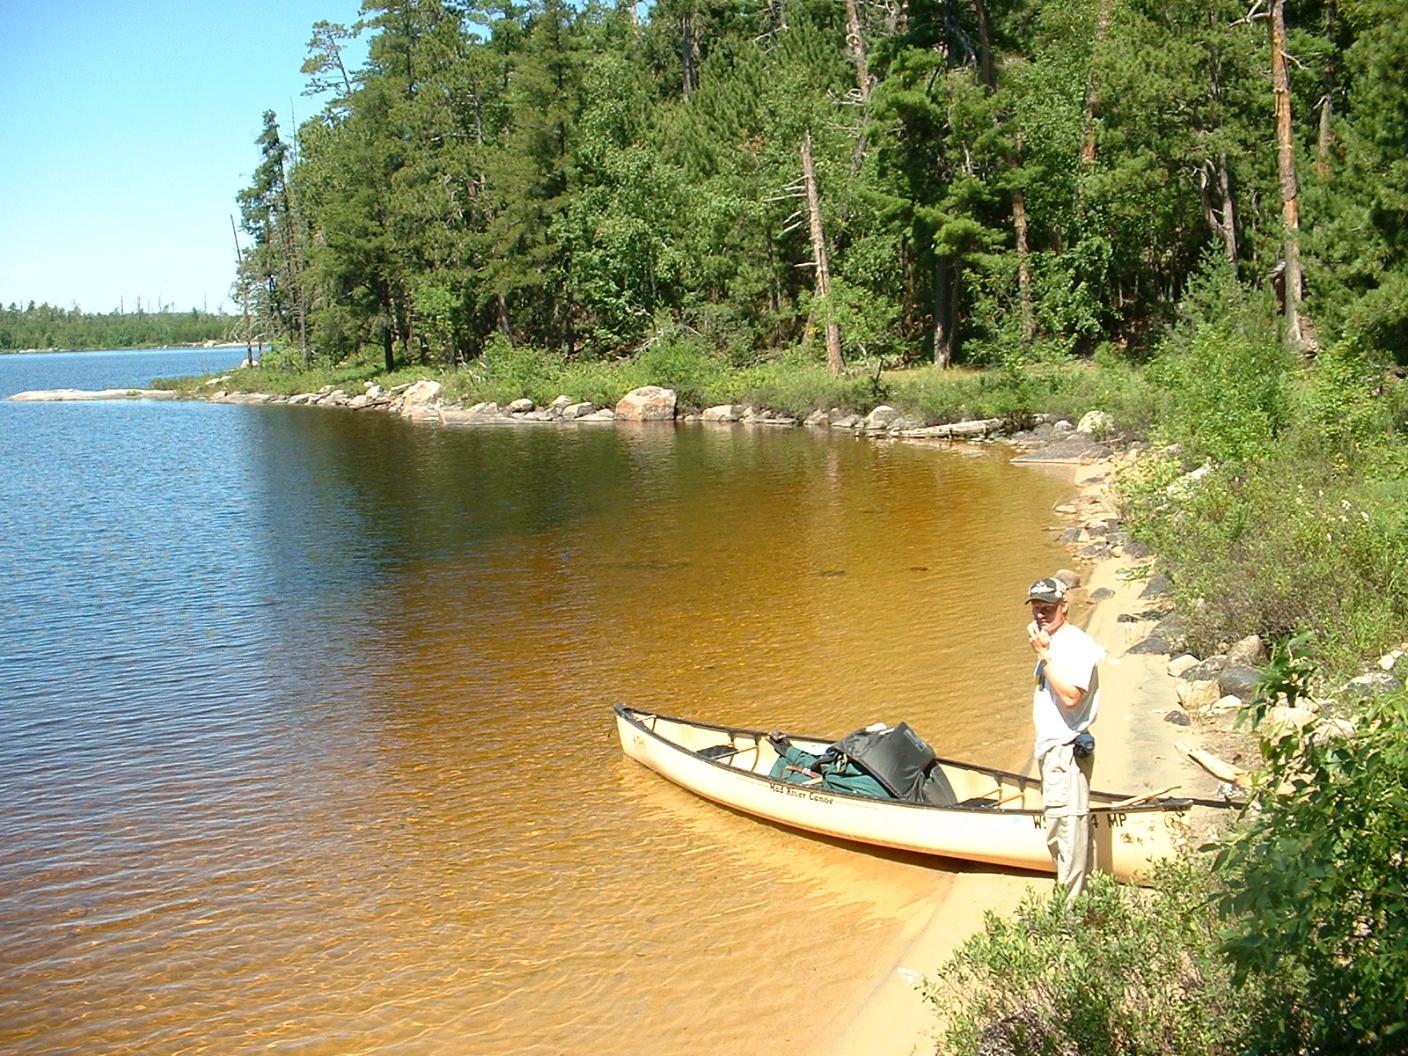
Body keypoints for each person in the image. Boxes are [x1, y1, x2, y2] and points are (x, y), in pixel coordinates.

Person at [1026, 575, 1105, 898]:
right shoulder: (1052, 642)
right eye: (1036, 608)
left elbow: (1072, 697)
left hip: (1066, 753)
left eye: (1048, 608)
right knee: (1060, 830)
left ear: (1065, 605)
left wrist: (1043, 657)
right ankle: (1080, 898)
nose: (1040, 614)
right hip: (1053, 752)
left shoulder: (1076, 645)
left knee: (1067, 831)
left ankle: (1071, 911)